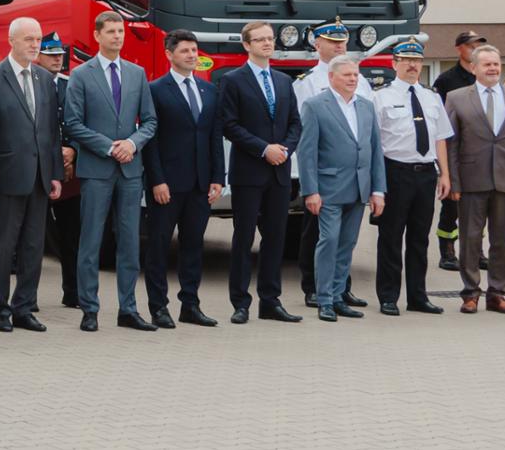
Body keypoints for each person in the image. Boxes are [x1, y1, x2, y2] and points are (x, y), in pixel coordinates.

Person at [63, 11, 159, 333]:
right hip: (97, 168)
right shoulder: (81, 75)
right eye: (112, 31)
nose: (118, 36)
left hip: (131, 170)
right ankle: (89, 309)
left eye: (121, 31)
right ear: (97, 35)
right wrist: (109, 146)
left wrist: (132, 144)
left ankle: (128, 309)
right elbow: (73, 124)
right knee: (90, 241)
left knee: (130, 242)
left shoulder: (136, 73)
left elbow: (150, 121)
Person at [0, 17, 65, 333]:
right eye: (28, 39)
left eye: (38, 39)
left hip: (40, 176)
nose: (34, 45)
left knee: (32, 246)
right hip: (6, 176)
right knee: (3, 246)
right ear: (11, 40)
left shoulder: (44, 78)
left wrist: (55, 172)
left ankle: (24, 307)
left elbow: (51, 132)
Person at [218, 20, 304, 325]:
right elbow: (229, 125)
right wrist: (263, 148)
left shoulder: (283, 81)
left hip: (279, 172)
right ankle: (240, 302)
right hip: (249, 172)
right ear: (247, 45)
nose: (268, 44)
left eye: (270, 39)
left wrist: (285, 149)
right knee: (243, 238)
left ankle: (271, 300)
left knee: (275, 238)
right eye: (260, 39)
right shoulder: (233, 80)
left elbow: (295, 122)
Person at [140, 30, 223, 329]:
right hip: (167, 185)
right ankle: (158, 307)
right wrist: (156, 180)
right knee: (159, 246)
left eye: (194, 50)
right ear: (169, 54)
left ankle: (190, 304)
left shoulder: (209, 91)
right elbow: (151, 140)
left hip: (200, 184)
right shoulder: (155, 90)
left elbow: (213, 135)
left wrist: (217, 176)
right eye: (185, 50)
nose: (192, 55)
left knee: (192, 246)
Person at [296, 56, 387, 323]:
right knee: (329, 241)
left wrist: (378, 190)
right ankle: (323, 299)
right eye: (347, 75)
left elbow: (374, 150)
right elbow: (306, 152)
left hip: (359, 189)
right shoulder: (315, 106)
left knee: (347, 244)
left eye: (356, 75)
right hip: (328, 189)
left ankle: (338, 296)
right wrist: (310, 190)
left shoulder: (367, 107)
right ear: (332, 77)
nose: (353, 79)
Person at [444, 45, 505, 315]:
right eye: (487, 65)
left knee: (501, 239)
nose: (494, 69)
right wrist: (454, 183)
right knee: (471, 239)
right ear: (474, 68)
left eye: (496, 64)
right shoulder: (457, 98)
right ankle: (470, 292)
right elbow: (451, 145)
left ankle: (497, 293)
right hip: (472, 179)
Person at [290, 18, 374, 308]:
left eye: (343, 41)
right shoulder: (308, 82)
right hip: (325, 174)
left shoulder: (360, 80)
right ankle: (313, 286)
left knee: (346, 240)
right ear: (317, 44)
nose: (340, 45)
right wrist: (306, 180)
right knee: (316, 233)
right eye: (332, 41)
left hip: (354, 175)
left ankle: (341, 289)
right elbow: (302, 133)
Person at [372, 41, 453, 316]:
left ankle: (418, 296)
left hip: (426, 174)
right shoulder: (380, 97)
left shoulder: (431, 97)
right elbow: (375, 143)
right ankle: (388, 296)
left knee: (420, 239)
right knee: (391, 238)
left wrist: (445, 174)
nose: (412, 65)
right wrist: (377, 185)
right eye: (405, 60)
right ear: (394, 63)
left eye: (416, 60)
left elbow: (441, 137)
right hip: (395, 172)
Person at [432, 30, 488, 271]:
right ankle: (447, 249)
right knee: (452, 203)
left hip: (482, 150)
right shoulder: (446, 80)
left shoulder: (485, 77)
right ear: (459, 49)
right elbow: (440, 119)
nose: (475, 49)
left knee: (479, 205)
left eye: (478, 45)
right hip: (456, 150)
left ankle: (475, 250)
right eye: (470, 45)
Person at [36, 32, 80, 309]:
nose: (56, 59)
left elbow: (82, 121)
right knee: (32, 237)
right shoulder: (32, 84)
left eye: (59, 54)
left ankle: (73, 292)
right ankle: (28, 297)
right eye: (50, 54)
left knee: (72, 234)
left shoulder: (71, 85)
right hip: (39, 169)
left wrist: (73, 149)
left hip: (69, 171)